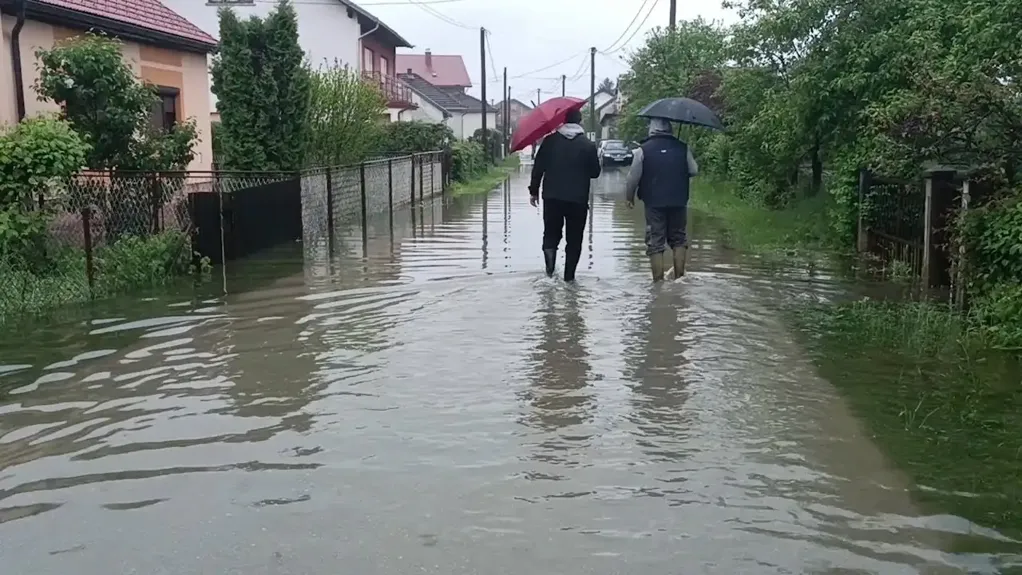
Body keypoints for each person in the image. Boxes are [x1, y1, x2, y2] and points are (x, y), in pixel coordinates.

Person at [528, 108, 602, 282]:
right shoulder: (588, 145)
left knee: (551, 235)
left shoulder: (549, 141)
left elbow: (538, 167)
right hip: (578, 200)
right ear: (580, 122)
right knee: (574, 239)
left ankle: (550, 273)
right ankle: (569, 279)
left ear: (563, 121)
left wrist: (534, 191)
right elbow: (595, 173)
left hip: (552, 198)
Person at [624, 117, 699, 281]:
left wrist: (629, 197)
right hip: (679, 200)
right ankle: (680, 278)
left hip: (653, 202)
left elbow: (632, 178)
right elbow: (693, 170)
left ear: (652, 129)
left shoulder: (642, 150)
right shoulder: (682, 147)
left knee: (655, 241)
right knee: (679, 237)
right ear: (670, 129)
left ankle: (657, 282)